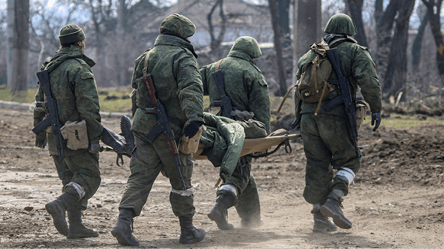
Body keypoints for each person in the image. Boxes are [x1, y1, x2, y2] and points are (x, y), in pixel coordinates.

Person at [111, 13, 205, 246]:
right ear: (183, 35)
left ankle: (123, 223)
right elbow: (191, 88)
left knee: (140, 177)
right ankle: (188, 230)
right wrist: (195, 118)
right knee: (181, 178)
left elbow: (135, 94)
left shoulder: (143, 58)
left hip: (143, 127)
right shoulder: (183, 57)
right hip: (170, 130)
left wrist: (136, 125)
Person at [295, 13, 382, 232]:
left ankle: (319, 219)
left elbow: (298, 89)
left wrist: (299, 120)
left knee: (317, 165)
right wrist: (377, 108)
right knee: (350, 160)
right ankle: (334, 199)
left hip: (307, 118)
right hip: (334, 117)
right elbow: (369, 82)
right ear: (350, 32)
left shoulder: (310, 54)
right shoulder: (354, 51)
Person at [33, 24, 103, 239]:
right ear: (80, 43)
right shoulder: (79, 68)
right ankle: (59, 204)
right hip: (77, 136)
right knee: (90, 176)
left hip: (53, 135)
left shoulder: (49, 67)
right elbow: (89, 108)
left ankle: (76, 225)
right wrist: (94, 138)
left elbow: (39, 103)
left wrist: (40, 134)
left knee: (70, 179)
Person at [200, 36, 271, 230]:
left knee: (242, 170)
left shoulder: (213, 68)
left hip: (214, 129)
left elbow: (192, 87)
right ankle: (221, 204)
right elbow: (262, 112)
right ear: (252, 55)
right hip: (240, 131)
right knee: (240, 170)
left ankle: (251, 219)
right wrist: (264, 140)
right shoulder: (253, 73)